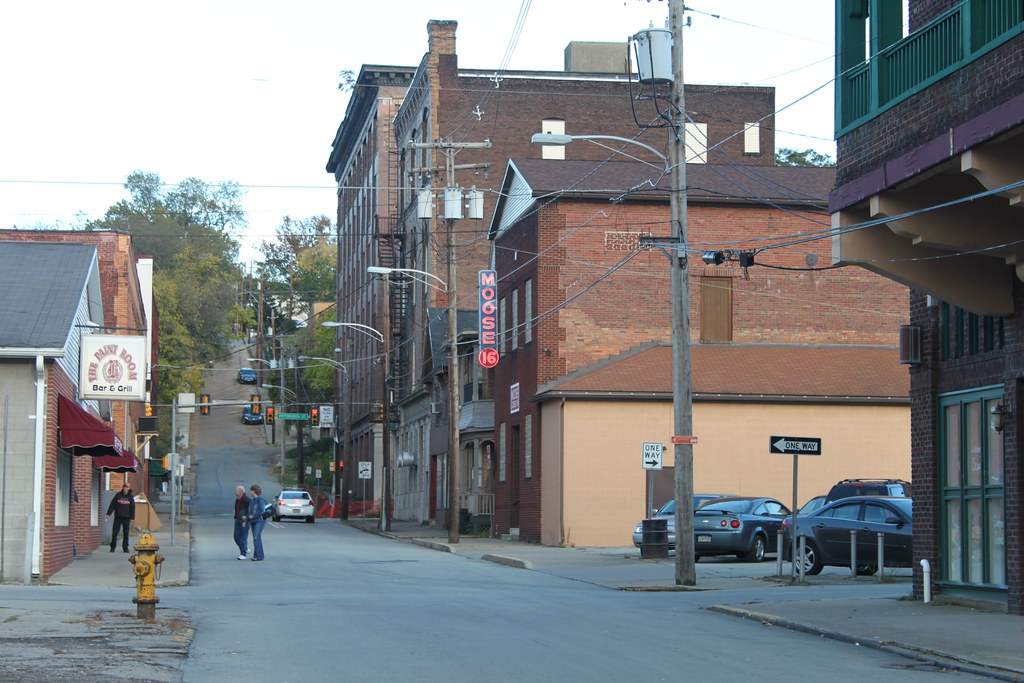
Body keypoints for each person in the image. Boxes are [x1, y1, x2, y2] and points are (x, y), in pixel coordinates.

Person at [105, 482, 135, 553]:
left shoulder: (130, 497)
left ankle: (125, 548)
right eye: (124, 486)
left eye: (127, 487)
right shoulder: (118, 495)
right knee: (114, 533)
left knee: (126, 533)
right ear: (122, 487)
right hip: (118, 517)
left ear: (129, 488)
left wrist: (132, 518)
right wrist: (108, 513)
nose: (125, 488)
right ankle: (113, 547)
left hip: (126, 518)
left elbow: (132, 508)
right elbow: (112, 505)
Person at [244, 484, 267, 561]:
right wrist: (246, 520)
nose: (250, 492)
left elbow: (261, 510)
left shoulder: (260, 500)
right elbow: (249, 512)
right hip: (253, 521)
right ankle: (257, 555)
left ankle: (259, 556)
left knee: (256, 538)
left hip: (259, 521)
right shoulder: (252, 501)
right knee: (256, 538)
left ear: (254, 491)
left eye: (251, 491)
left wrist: (254, 516)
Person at [233, 485, 251, 560]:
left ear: (241, 492)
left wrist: (246, 517)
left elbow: (252, 509)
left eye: (236, 490)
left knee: (243, 537)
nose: (235, 492)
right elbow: (237, 509)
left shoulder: (246, 499)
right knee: (236, 537)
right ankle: (245, 548)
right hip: (237, 520)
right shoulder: (237, 499)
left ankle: (243, 554)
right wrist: (235, 517)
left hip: (244, 521)